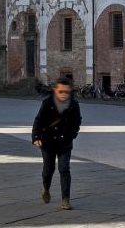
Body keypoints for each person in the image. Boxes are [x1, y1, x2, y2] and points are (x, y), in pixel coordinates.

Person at [31, 77, 82, 211]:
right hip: (48, 142)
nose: (64, 94)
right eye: (61, 91)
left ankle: (65, 199)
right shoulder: (47, 103)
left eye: (66, 92)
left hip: (64, 142)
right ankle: (46, 188)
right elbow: (38, 121)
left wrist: (72, 135)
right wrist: (36, 137)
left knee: (64, 169)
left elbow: (77, 122)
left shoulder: (74, 105)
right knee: (49, 168)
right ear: (55, 91)